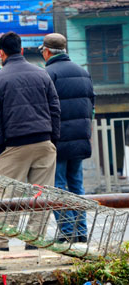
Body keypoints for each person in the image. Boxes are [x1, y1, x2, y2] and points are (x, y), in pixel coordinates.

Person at [0, 31, 61, 251]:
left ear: (1, 53)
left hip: (14, 145)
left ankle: (0, 243)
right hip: (44, 142)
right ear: (22, 50)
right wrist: (52, 139)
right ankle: (34, 240)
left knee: (6, 195)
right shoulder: (41, 74)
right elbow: (55, 109)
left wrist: (1, 146)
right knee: (41, 195)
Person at [40, 33, 94, 243]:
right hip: (80, 137)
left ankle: (67, 232)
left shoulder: (48, 74)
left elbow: (46, 109)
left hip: (58, 140)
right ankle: (80, 232)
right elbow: (91, 104)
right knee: (76, 185)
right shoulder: (83, 72)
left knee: (58, 186)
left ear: (47, 52)